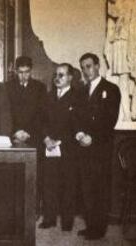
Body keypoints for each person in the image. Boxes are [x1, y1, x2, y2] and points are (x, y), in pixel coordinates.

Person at [75, 53, 121, 240]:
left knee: (100, 188)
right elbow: (76, 117)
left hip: (100, 147)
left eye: (89, 66)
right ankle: (91, 224)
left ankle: (99, 228)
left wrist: (92, 137)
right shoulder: (81, 90)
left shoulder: (111, 89)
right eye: (84, 68)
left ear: (97, 65)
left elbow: (109, 119)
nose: (87, 71)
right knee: (86, 188)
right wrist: (79, 133)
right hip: (83, 146)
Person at [39, 63, 79, 231]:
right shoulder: (47, 97)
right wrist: (47, 138)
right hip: (49, 147)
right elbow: (40, 120)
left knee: (68, 185)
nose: (57, 78)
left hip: (68, 148)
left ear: (70, 77)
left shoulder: (78, 97)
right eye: (56, 74)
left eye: (62, 75)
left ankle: (67, 222)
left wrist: (59, 141)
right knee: (49, 183)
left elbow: (77, 123)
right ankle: (49, 219)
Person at [6, 56, 46, 146]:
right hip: (13, 136)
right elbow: (6, 113)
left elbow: (41, 113)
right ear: (15, 71)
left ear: (31, 70)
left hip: (34, 135)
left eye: (27, 72)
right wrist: (16, 132)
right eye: (20, 72)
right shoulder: (7, 87)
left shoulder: (40, 87)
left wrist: (28, 132)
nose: (24, 76)